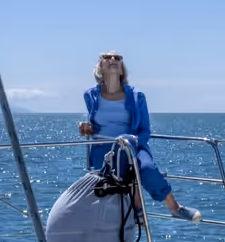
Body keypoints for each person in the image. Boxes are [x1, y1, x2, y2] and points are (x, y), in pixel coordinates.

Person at [79, 51, 201, 222]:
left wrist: (132, 140)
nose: (112, 59)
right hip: (104, 147)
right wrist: (87, 128)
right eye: (107, 57)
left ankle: (174, 207)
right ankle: (136, 209)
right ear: (100, 67)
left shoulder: (137, 97)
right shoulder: (90, 95)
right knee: (123, 169)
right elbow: (95, 126)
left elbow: (144, 131)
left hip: (133, 144)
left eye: (117, 58)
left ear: (122, 69)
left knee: (147, 169)